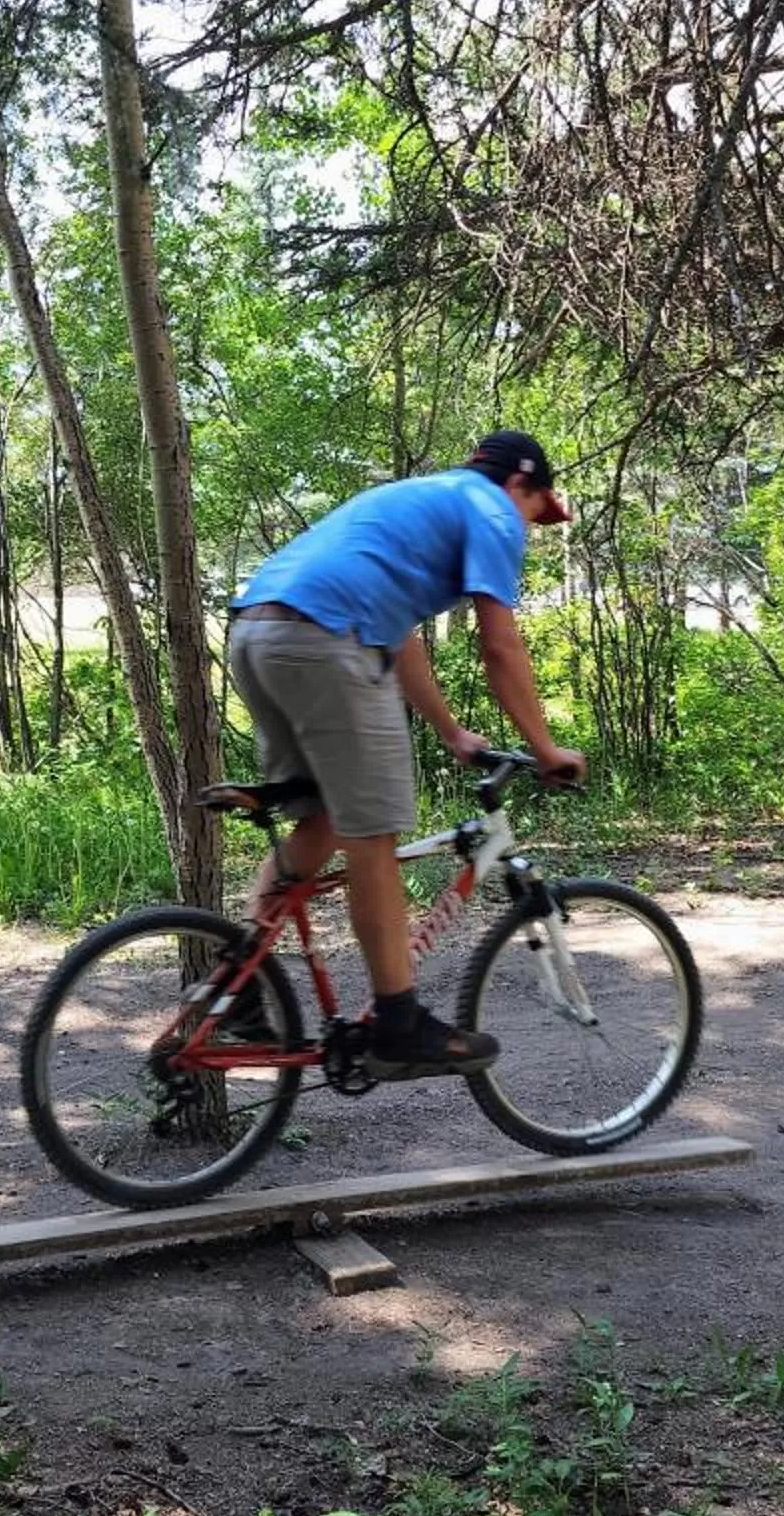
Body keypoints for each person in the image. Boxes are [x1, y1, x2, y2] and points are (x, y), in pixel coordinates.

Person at [223, 429, 588, 1076]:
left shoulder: (420, 500)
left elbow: (401, 637)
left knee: (322, 820)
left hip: (258, 635)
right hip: (326, 640)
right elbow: (500, 647)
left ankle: (236, 985)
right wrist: (545, 748)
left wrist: (451, 731)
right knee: (374, 834)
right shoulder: (492, 511)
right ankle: (399, 1023)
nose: (531, 529)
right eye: (538, 510)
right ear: (519, 484)